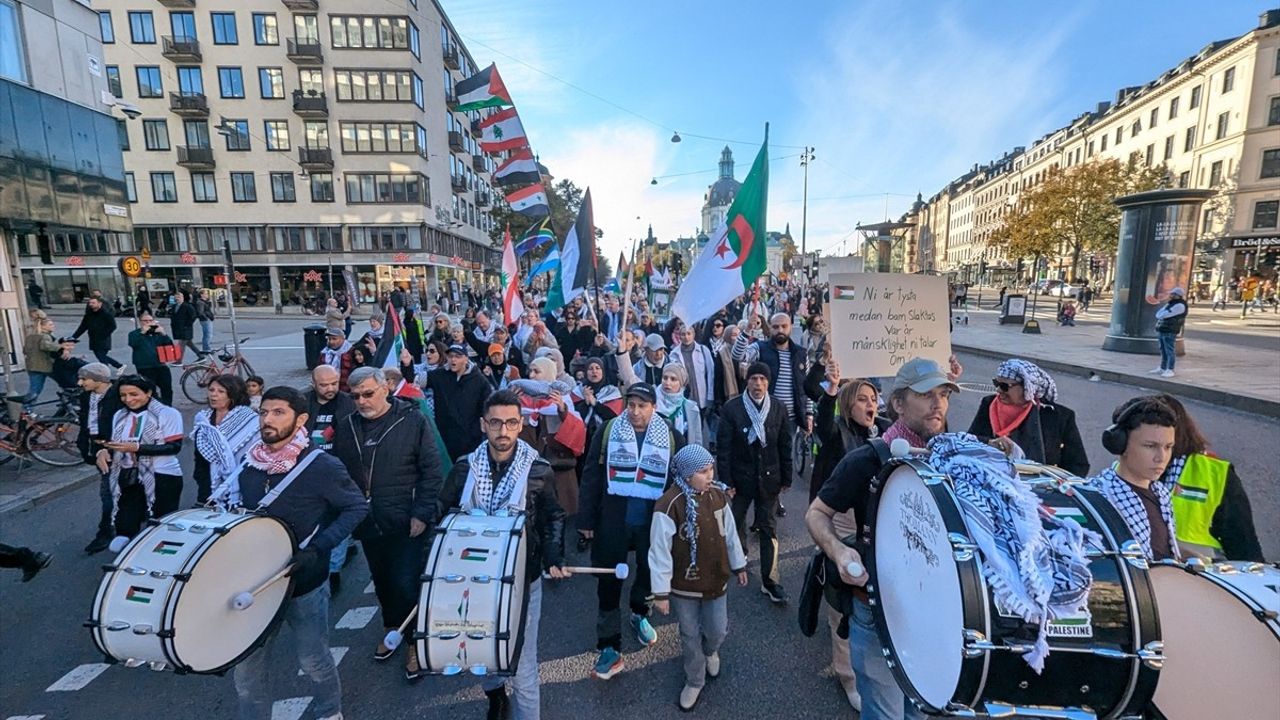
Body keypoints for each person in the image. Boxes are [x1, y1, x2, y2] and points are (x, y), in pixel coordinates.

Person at [806, 358, 960, 720]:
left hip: (934, 616)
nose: (938, 403)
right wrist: (840, 552)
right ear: (899, 404)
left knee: (923, 712)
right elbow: (816, 514)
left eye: (944, 394)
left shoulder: (951, 459)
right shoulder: (868, 460)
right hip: (878, 614)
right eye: (926, 395)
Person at [231, 386, 368, 720]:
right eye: (264, 412)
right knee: (247, 670)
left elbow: (356, 507)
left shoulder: (320, 465)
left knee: (313, 659)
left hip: (302, 581)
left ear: (301, 418)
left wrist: (320, 548)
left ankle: (329, 711)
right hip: (254, 584)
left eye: (278, 412)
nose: (267, 420)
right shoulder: (249, 464)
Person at [439, 390, 569, 719]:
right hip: (474, 579)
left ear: (520, 424)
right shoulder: (463, 470)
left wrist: (553, 553)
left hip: (522, 580)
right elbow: (442, 517)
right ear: (484, 425)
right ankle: (495, 695)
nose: (503, 431)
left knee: (523, 666)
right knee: (481, 651)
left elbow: (553, 515)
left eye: (511, 422)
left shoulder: (538, 471)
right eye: (496, 422)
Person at [332, 367, 445, 680]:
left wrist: (422, 513)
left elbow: (431, 471)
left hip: (406, 520)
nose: (361, 401)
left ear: (385, 389)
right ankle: (391, 626)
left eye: (368, 394)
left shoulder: (412, 420)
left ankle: (414, 642)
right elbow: (339, 473)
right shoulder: (347, 426)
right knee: (382, 580)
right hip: (367, 522)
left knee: (407, 583)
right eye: (355, 396)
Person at [578, 382, 685, 680]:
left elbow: (681, 480)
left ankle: (640, 612)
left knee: (648, 571)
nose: (635, 411)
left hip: (652, 521)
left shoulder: (670, 435)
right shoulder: (609, 431)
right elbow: (591, 475)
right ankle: (609, 646)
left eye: (642, 405)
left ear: (653, 407)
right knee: (608, 578)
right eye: (631, 405)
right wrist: (585, 519)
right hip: (612, 519)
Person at [809, 362, 887, 710]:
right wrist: (831, 392)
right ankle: (847, 675)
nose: (870, 405)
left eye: (873, 398)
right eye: (861, 400)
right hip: (841, 521)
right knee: (844, 601)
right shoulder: (838, 431)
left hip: (877, 521)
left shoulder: (884, 432)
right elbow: (823, 426)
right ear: (848, 405)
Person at [649, 444, 748, 711]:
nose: (709, 475)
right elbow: (659, 551)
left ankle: (711, 650)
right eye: (703, 471)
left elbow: (730, 534)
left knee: (717, 629)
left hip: (716, 578)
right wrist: (660, 592)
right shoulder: (669, 504)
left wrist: (739, 566)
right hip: (684, 585)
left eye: (711, 469)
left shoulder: (717, 496)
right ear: (686, 474)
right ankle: (694, 678)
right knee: (689, 633)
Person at [1151, 394, 1264, 561]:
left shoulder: (1215, 473)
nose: (1158, 455)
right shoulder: (1119, 474)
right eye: (1149, 444)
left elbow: (1243, 545)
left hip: (1201, 576)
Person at [717, 362, 793, 604]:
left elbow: (784, 445)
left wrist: (787, 476)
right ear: (746, 381)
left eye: (762, 378)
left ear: (768, 382)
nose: (758, 384)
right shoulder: (732, 409)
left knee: (768, 527)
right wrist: (726, 480)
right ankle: (740, 556)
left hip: (769, 477)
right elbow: (724, 448)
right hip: (740, 478)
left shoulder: (779, 408)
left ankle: (771, 581)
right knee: (736, 519)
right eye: (753, 379)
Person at [1086, 397, 1181, 561]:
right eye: (1150, 446)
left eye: (1168, 447)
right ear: (1120, 445)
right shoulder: (1099, 497)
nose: (1161, 457)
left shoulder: (1162, 494)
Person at [966, 359, 1089, 476]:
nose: (998, 390)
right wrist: (990, 443)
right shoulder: (989, 403)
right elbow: (969, 441)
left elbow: (1078, 464)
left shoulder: (1058, 416)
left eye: (1005, 386)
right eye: (996, 383)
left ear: (1027, 387)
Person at [98, 375, 185, 540]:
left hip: (163, 476)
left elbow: (174, 447)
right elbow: (113, 443)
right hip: (129, 475)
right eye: (123, 395)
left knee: (161, 526)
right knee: (124, 526)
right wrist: (103, 451)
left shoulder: (168, 413)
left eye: (134, 394)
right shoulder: (119, 415)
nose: (128, 399)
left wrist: (137, 448)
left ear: (148, 393)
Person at [303, 365, 359, 593]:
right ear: (313, 383)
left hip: (339, 469)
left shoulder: (348, 403)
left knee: (339, 516)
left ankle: (334, 568)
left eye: (334, 383)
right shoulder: (302, 402)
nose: (330, 389)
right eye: (324, 384)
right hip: (308, 469)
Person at [76, 363, 124, 554]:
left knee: (108, 494)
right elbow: (85, 423)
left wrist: (108, 449)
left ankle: (106, 532)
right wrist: (87, 447)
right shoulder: (86, 396)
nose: (80, 383)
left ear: (98, 379)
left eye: (84, 379)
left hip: (117, 450)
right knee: (112, 491)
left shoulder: (118, 397)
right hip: (97, 449)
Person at [191, 374, 258, 506]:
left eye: (221, 391)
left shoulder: (249, 420)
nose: (213, 395)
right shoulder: (203, 419)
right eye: (211, 390)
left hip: (237, 480)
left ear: (233, 394)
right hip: (206, 480)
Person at [426, 344, 491, 462]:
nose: (453, 360)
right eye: (450, 356)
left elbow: (486, 409)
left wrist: (476, 430)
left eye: (457, 356)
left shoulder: (479, 381)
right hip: (444, 439)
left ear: (466, 359)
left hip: (469, 441)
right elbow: (414, 381)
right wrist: (407, 365)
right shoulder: (439, 375)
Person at [22, 315, 71, 410]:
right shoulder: (45, 336)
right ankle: (69, 403)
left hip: (32, 366)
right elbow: (46, 346)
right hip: (45, 366)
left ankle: (27, 409)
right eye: (50, 324)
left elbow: (25, 351)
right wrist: (61, 347)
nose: (53, 326)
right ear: (43, 326)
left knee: (34, 389)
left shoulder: (30, 337)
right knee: (65, 383)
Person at [127, 313, 175, 405]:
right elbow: (133, 344)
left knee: (167, 388)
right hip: (145, 366)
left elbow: (169, 348)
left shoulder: (157, 333)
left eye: (150, 321)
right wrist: (142, 333)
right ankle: (153, 406)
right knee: (149, 389)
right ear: (141, 322)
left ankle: (168, 407)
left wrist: (164, 334)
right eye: (145, 321)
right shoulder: (134, 334)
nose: (148, 323)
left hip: (160, 365)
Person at [657, 363, 704, 447]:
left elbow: (697, 442)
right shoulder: (652, 404)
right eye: (665, 378)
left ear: (681, 383)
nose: (668, 382)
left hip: (684, 456)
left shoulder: (691, 409)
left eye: (673, 379)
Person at [71, 296, 122, 369]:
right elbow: (83, 327)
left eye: (93, 303)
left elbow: (113, 326)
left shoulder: (106, 314)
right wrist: (74, 337)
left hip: (103, 339)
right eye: (90, 303)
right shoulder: (89, 315)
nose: (91, 304)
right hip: (93, 339)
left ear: (100, 304)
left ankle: (112, 369)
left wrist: (104, 334)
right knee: (101, 357)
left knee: (101, 356)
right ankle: (117, 367)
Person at [1152, 287, 1186, 378]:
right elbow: (1158, 314)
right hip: (1163, 329)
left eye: (1172, 294)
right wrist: (1162, 314)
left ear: (1177, 295)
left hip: (1170, 330)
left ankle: (1170, 369)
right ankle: (1163, 367)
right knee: (1163, 350)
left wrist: (1162, 314)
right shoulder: (1170, 304)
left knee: (1169, 350)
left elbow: (1163, 315)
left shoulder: (1180, 305)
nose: (1170, 295)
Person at [169, 291, 198, 360]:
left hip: (186, 328)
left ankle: (179, 361)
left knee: (181, 345)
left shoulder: (187, 306)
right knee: (189, 343)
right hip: (178, 328)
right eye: (176, 298)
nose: (177, 299)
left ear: (182, 298)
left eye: (179, 297)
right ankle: (200, 355)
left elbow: (193, 316)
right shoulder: (174, 306)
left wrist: (187, 324)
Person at [194, 289, 215, 353]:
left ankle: (206, 348)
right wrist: (206, 318)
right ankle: (206, 348)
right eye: (205, 294)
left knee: (208, 334)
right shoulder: (200, 302)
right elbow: (200, 312)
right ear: (201, 295)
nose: (207, 295)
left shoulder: (205, 301)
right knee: (208, 334)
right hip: (205, 320)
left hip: (207, 319)